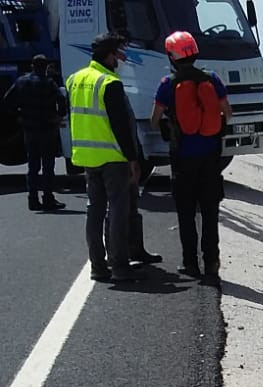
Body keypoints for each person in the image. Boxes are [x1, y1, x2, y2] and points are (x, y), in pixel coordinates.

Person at [66, 32, 162, 283]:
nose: (121, 58)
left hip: (87, 155)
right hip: (113, 156)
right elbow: (121, 126)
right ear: (109, 55)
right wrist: (133, 159)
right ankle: (119, 265)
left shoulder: (74, 79)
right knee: (118, 210)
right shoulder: (109, 82)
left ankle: (98, 266)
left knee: (94, 211)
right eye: (118, 53)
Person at [151, 30, 231, 288]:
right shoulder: (212, 78)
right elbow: (227, 113)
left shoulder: (168, 83)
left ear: (172, 57)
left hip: (183, 158)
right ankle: (212, 263)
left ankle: (190, 263)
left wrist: (166, 128)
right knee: (209, 211)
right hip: (210, 157)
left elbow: (155, 119)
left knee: (186, 212)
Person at [3, 54, 68, 212]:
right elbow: (62, 103)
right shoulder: (50, 84)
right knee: (48, 165)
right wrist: (58, 117)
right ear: (46, 67)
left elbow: (7, 100)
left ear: (32, 66)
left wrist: (18, 115)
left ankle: (32, 199)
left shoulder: (21, 82)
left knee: (33, 165)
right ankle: (48, 198)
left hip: (29, 128)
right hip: (47, 129)